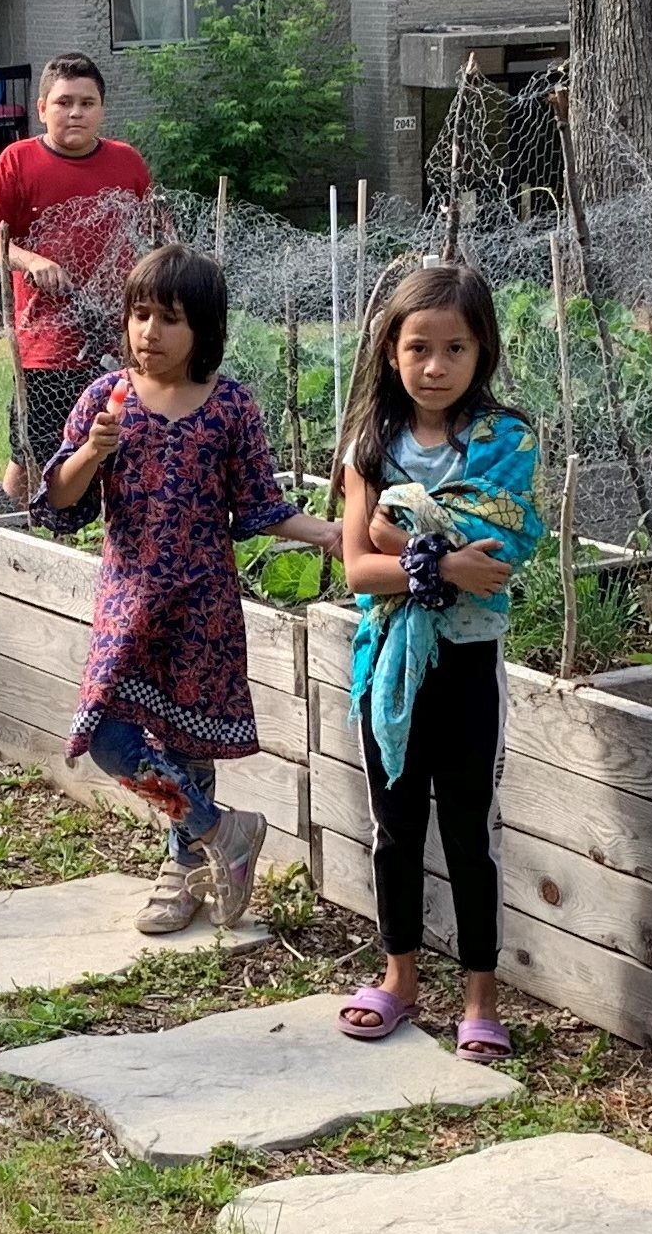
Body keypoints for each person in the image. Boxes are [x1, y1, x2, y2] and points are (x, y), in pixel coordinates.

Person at [29, 246, 337, 935]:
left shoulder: (229, 407)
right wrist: (91, 453)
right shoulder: (103, 400)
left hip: (201, 607)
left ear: (204, 330)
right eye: (139, 314)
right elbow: (58, 501)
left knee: (187, 741)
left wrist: (331, 534)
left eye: (168, 319)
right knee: (107, 736)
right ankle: (220, 831)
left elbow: (259, 506)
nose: (148, 333)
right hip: (127, 600)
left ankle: (185, 869)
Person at [331, 263, 538, 1057]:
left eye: (455, 347)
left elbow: (503, 544)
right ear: (391, 351)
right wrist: (441, 565)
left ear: (481, 351)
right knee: (395, 827)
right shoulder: (369, 445)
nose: (435, 365)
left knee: (467, 828)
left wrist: (403, 534)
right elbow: (358, 567)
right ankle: (398, 978)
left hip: (467, 665)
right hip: (387, 665)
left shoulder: (504, 442)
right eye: (418, 347)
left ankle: (480, 996)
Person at [0, 52, 160, 506]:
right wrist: (31, 261)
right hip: (46, 341)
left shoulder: (126, 162)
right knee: (35, 445)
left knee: (118, 437)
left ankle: (101, 530)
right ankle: (15, 524)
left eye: (87, 103)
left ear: (102, 109)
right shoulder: (17, 162)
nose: (75, 112)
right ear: (42, 109)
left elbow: (154, 235)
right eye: (63, 102)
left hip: (118, 335)